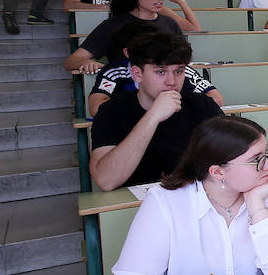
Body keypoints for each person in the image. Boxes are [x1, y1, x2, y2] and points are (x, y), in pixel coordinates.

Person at [106, 115, 268, 275]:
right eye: (256, 160)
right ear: (217, 172)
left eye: (266, 154)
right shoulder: (165, 202)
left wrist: (256, 205)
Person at [89, 32, 225, 190]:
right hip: (136, 206)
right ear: (137, 74)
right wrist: (153, 117)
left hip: (196, 197)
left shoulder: (202, 104)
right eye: (160, 71)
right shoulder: (111, 112)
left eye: (179, 71)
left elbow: (233, 155)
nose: (171, 82)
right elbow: (106, 180)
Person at [64, 0, 197, 72]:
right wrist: (86, 62)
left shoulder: (169, 23)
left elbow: (185, 58)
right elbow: (72, 60)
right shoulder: (113, 25)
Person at [87, 20, 223, 116]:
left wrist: (172, 107)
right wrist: (154, 111)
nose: (171, 81)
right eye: (160, 71)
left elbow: (215, 99)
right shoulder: (114, 72)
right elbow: (97, 108)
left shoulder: (182, 69)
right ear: (127, 52)